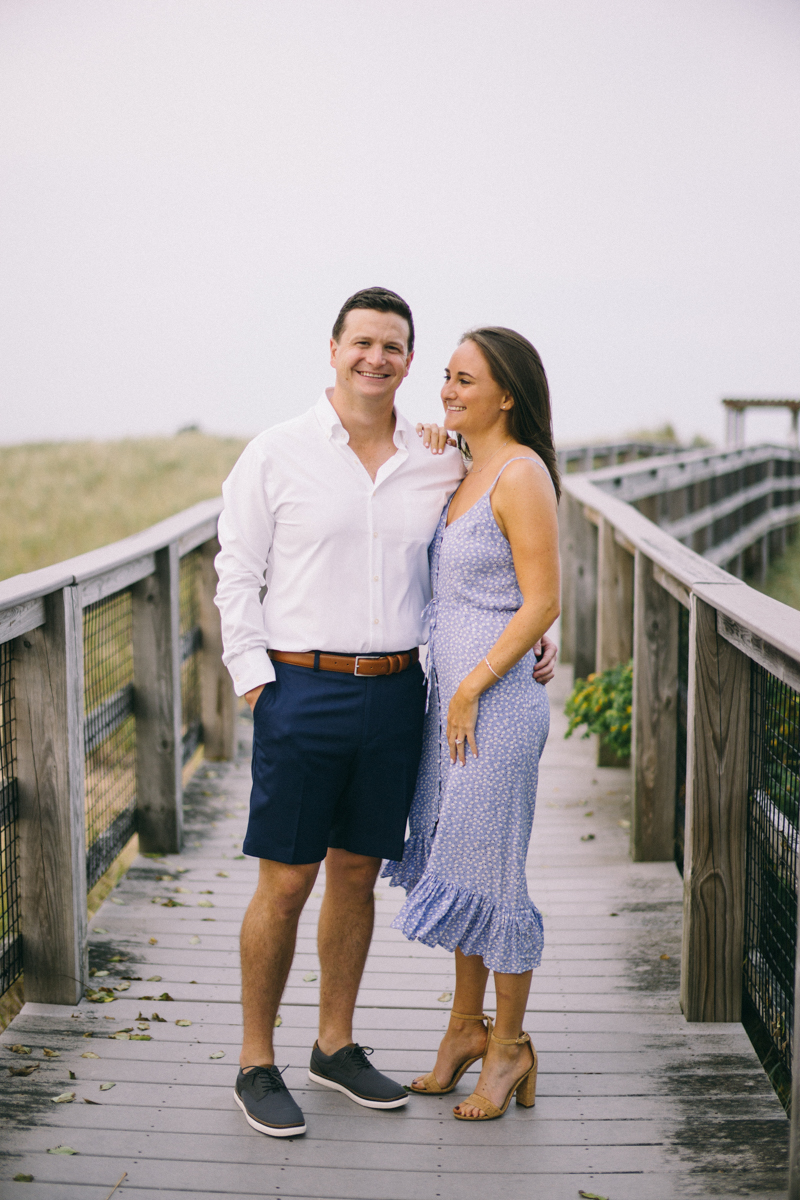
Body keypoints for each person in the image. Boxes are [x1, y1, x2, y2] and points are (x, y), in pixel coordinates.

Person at [214, 288, 558, 1139]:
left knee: (358, 873)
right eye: (362, 342)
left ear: (407, 359)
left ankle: (334, 1046)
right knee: (286, 880)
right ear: (332, 349)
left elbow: (512, 563)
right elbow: (234, 571)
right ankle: (257, 1060)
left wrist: (540, 641)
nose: (378, 358)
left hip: (403, 693)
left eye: (395, 347)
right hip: (302, 688)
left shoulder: (438, 455)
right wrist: (257, 681)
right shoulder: (276, 453)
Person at [383, 326, 561, 1122]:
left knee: (494, 872)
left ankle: (511, 1046)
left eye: (465, 380)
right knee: (459, 862)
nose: (448, 391)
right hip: (451, 703)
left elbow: (542, 600)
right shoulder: (460, 466)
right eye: (447, 378)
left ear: (508, 394)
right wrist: (429, 444)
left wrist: (475, 685)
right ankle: (463, 1030)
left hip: (494, 707)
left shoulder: (520, 474)